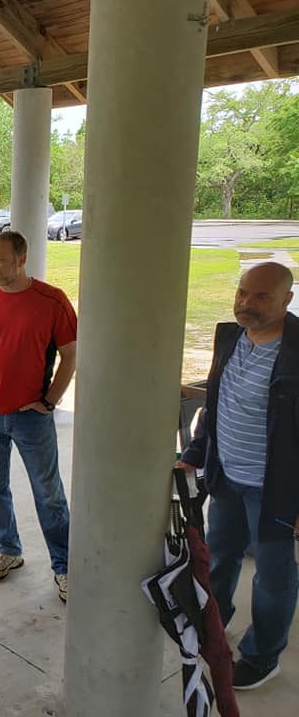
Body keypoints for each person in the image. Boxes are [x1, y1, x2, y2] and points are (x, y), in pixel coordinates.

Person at [178, 262, 299, 691]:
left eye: (261, 296)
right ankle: (215, 623)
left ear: (287, 299)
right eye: (243, 292)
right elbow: (216, 404)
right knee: (219, 557)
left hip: (276, 492)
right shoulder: (230, 337)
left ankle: (263, 656)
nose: (246, 303)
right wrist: (194, 455)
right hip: (225, 476)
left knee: (272, 576)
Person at [0, 230, 76, 602]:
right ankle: (9, 550)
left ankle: (65, 565)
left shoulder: (52, 301)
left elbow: (71, 355)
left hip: (32, 417)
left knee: (49, 492)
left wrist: (50, 400)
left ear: (21, 260)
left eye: (0, 260)